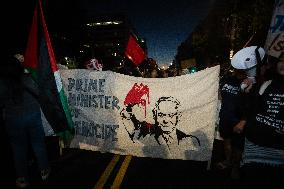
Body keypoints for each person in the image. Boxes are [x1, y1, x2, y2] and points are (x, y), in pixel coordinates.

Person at [0, 54, 50, 188]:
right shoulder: (27, 78)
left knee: (18, 149)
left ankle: (22, 178)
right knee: (38, 144)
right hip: (32, 115)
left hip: (13, 119)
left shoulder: (3, 83)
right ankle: (44, 170)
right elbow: (40, 92)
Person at [240, 54, 284, 188]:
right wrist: (246, 93)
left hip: (279, 155)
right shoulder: (267, 84)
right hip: (254, 149)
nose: (283, 63)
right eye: (281, 60)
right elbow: (251, 109)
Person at [216, 68, 247, 180]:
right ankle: (228, 161)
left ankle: (235, 167)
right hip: (225, 117)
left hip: (238, 120)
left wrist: (244, 120)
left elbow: (253, 104)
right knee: (226, 141)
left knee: (238, 146)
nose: (238, 69)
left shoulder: (248, 82)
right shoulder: (227, 79)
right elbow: (220, 95)